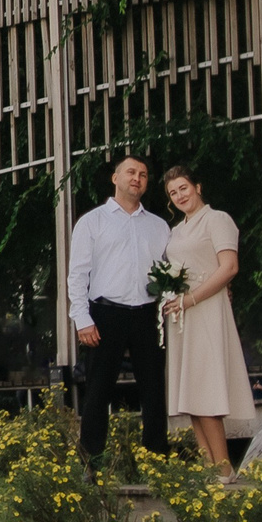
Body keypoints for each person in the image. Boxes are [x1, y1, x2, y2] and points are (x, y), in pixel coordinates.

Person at [67, 156, 170, 467]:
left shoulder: (159, 226)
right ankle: (91, 462)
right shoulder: (92, 221)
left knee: (153, 389)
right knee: (98, 390)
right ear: (115, 178)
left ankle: (157, 460)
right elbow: (77, 274)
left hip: (146, 315)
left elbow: (172, 271)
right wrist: (82, 319)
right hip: (104, 314)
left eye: (143, 174)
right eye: (130, 172)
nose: (136, 178)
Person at [157, 166, 255, 477]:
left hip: (206, 310)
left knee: (207, 393)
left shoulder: (217, 219)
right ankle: (209, 470)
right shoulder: (177, 230)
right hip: (182, 316)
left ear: (198, 187)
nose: (179, 196)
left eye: (183, 188)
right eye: (173, 193)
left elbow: (228, 268)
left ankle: (225, 472)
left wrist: (192, 298)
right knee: (192, 398)